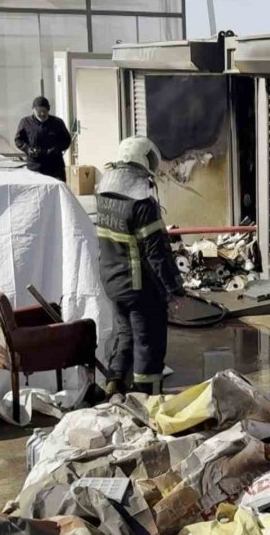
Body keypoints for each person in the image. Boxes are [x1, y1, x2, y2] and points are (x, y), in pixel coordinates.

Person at [96, 136, 184, 396]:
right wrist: (174, 289)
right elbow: (157, 253)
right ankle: (146, 396)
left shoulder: (104, 195)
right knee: (149, 341)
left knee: (125, 335)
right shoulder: (142, 205)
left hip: (112, 283)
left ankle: (114, 384)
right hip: (138, 287)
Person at [14, 96, 72, 182]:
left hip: (55, 166)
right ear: (33, 110)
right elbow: (18, 140)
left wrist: (56, 148)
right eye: (39, 111)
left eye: (44, 111)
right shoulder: (25, 122)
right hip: (35, 166)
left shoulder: (57, 122)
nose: (42, 114)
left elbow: (66, 140)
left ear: (48, 110)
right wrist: (28, 149)